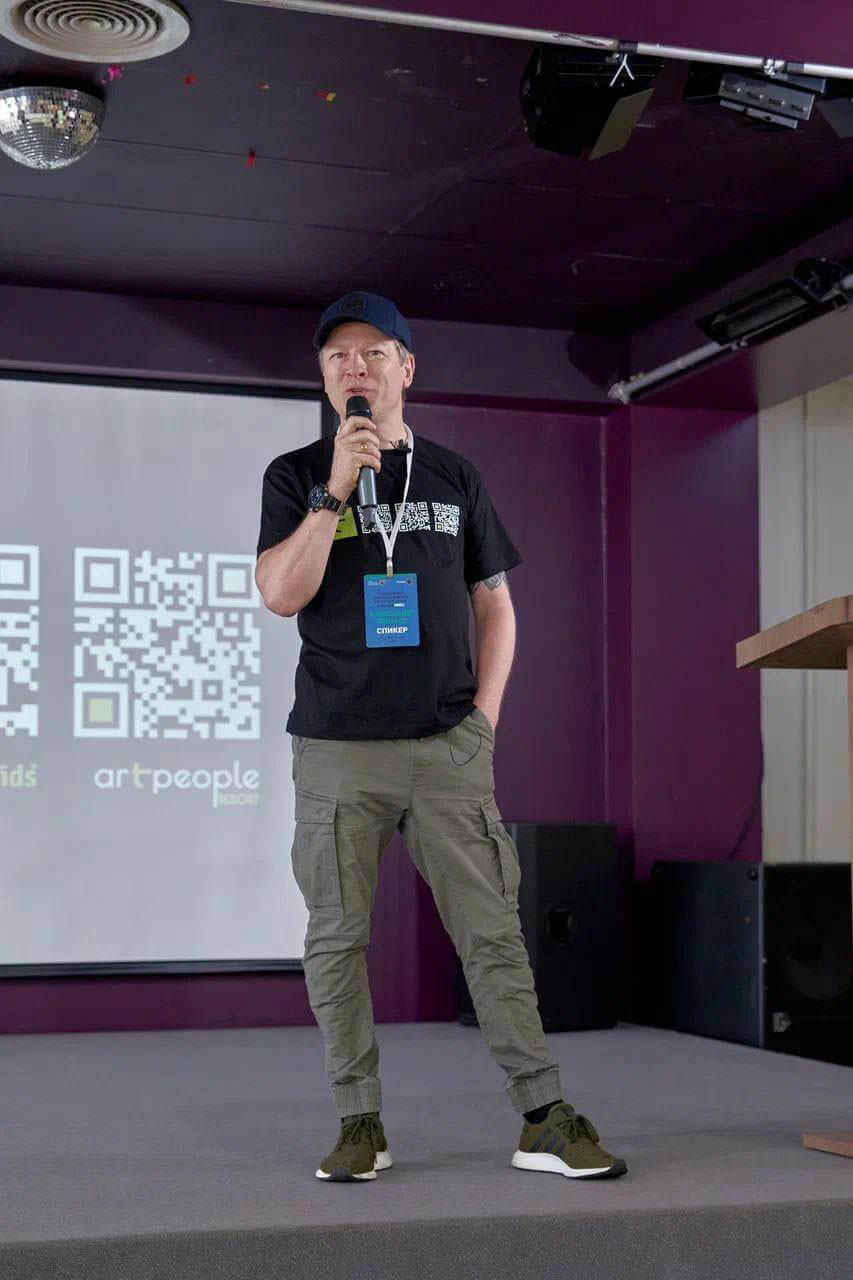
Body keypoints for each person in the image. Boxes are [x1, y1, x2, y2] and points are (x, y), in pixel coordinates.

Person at [255, 290, 627, 1183]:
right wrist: (335, 490)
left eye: (373, 353)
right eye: (338, 356)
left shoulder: (455, 476)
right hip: (338, 750)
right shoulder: (294, 473)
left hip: (446, 748)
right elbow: (280, 594)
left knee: (493, 935)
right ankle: (359, 1122)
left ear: (406, 368)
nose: (355, 367)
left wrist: (483, 721)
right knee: (337, 939)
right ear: (323, 376)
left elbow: (495, 604)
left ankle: (542, 1117)